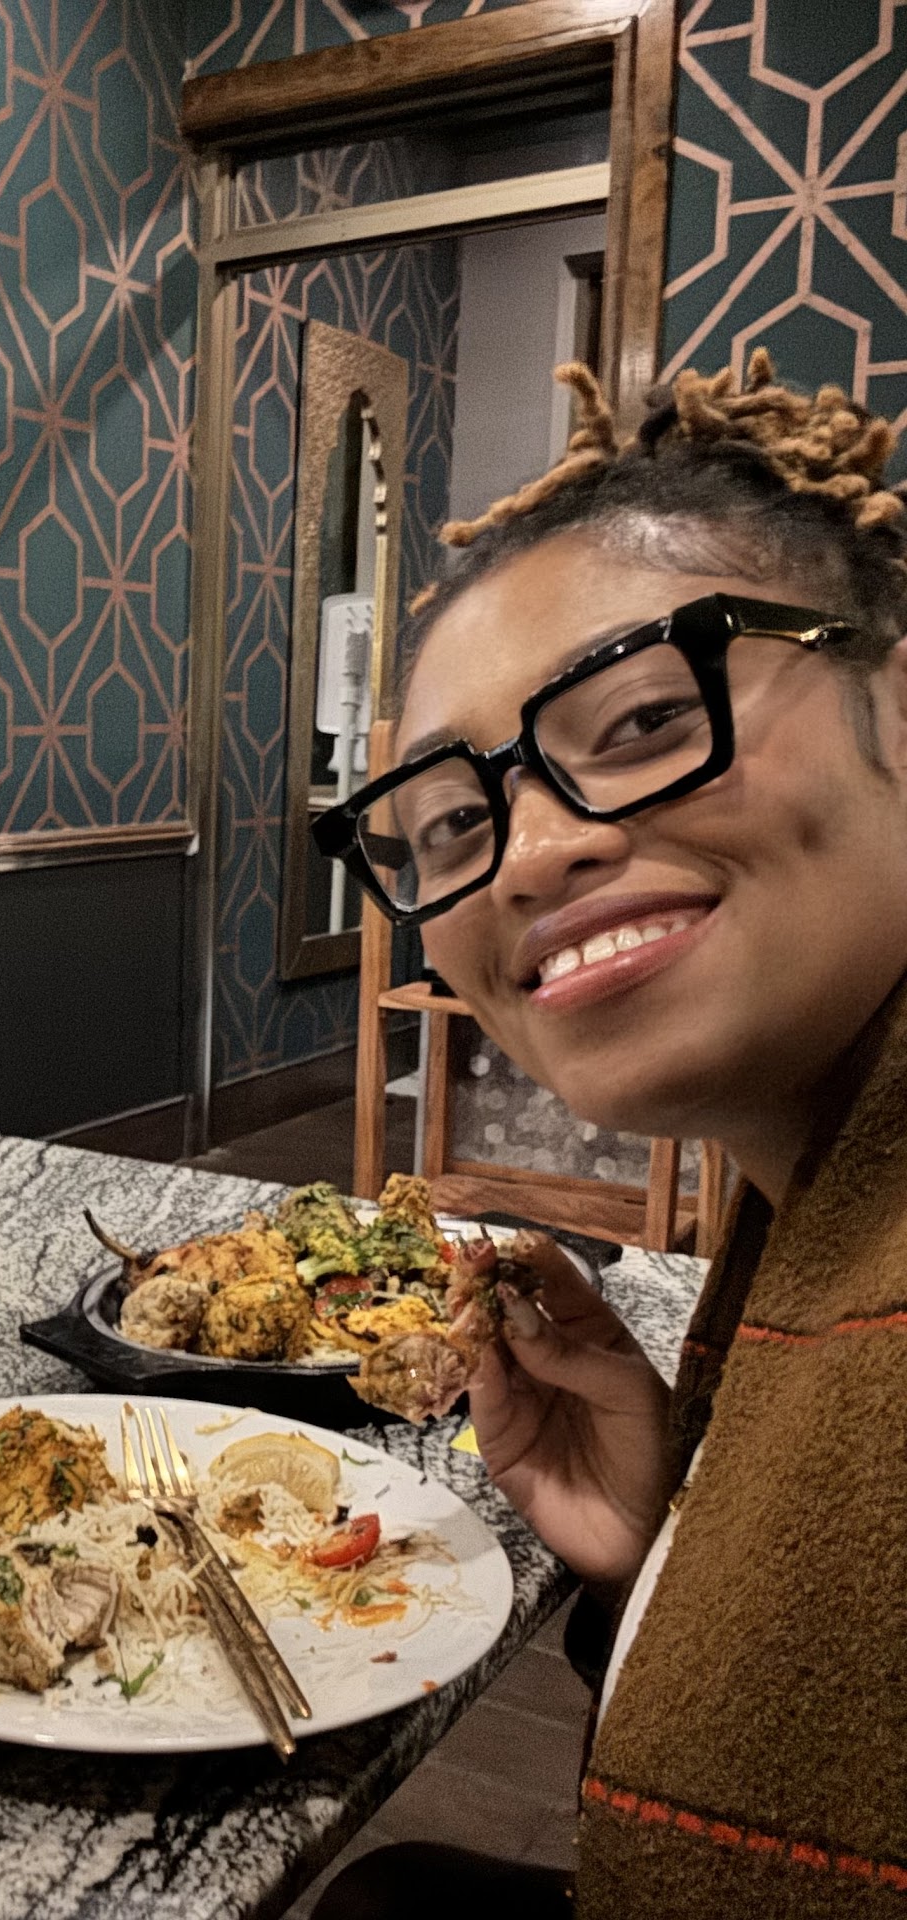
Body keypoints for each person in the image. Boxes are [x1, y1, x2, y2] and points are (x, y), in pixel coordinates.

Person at [311, 354, 907, 1919]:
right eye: (452, 823)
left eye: (642, 720)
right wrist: (669, 1551)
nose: (532, 854)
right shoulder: (813, 1191)